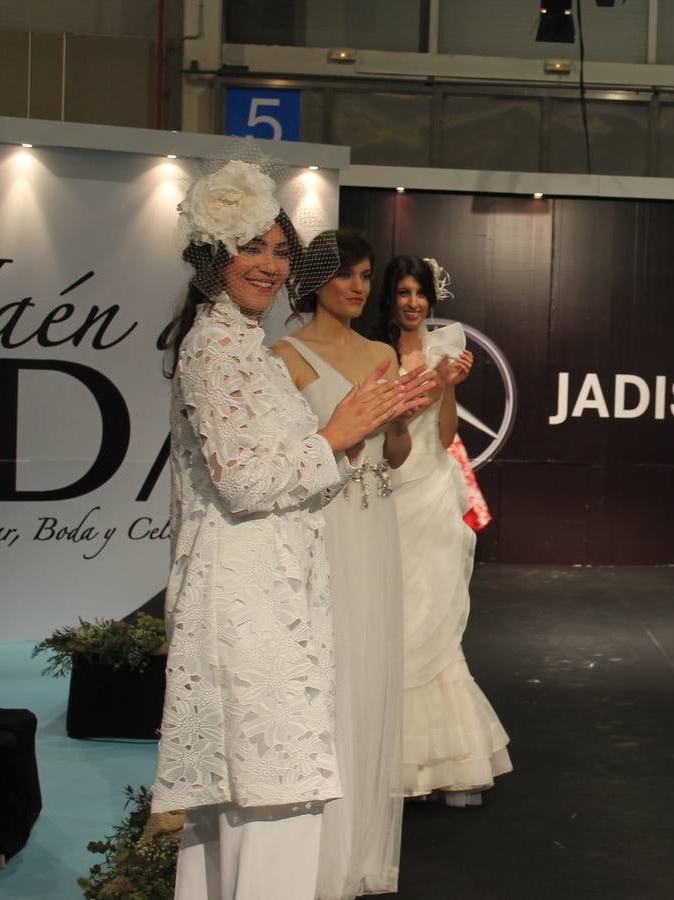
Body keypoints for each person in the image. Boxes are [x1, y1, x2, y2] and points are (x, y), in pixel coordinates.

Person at [153, 158, 433, 900]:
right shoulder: (214, 347)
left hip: (275, 588)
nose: (271, 265)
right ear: (213, 255)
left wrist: (363, 430)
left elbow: (300, 470)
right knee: (271, 799)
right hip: (247, 597)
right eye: (251, 247)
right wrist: (338, 433)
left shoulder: (243, 346)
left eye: (280, 251)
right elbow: (245, 482)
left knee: (256, 802)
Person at [273, 228, 431, 899]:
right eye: (346, 274)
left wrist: (399, 423)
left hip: (372, 519)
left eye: (366, 275)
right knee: (326, 672)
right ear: (314, 281)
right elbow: (291, 457)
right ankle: (314, 848)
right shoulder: (284, 356)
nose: (359, 287)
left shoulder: (381, 353)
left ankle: (358, 844)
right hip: (322, 523)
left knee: (367, 669)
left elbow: (395, 456)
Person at [375, 254, 512, 803]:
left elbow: (448, 434)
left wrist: (447, 386)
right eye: (403, 292)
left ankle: (445, 762)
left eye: (420, 293)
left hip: (431, 491)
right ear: (390, 298)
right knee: (391, 616)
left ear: (431, 299)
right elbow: (384, 427)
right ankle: (388, 759)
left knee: (431, 617)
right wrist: (427, 386)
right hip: (386, 490)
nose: (413, 303)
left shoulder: (444, 349)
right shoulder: (373, 353)